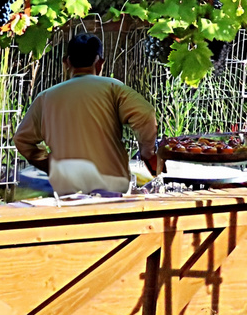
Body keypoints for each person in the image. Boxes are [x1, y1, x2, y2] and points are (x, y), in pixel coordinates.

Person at [12, 33, 161, 196]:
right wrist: (147, 153)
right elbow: (146, 114)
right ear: (100, 62)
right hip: (111, 186)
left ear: (66, 62)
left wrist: (50, 164)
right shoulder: (113, 89)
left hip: (65, 189)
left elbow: (22, 139)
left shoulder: (47, 97)